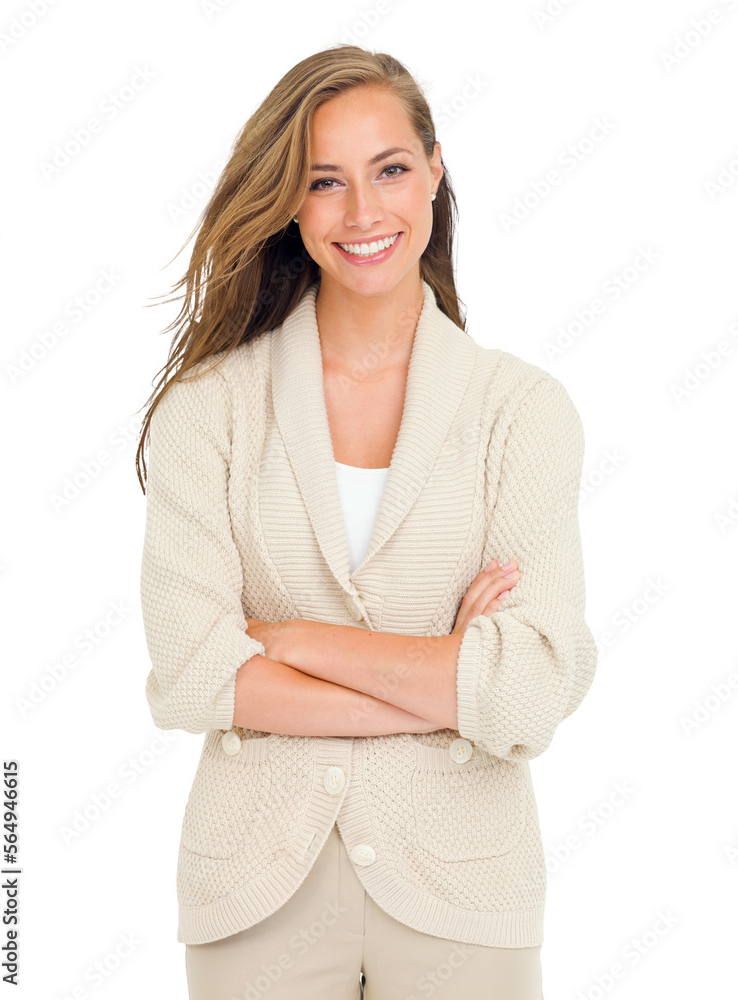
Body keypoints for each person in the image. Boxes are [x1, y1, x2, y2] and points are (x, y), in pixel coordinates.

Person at [136, 43, 597, 1000]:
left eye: (390, 169)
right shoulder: (210, 410)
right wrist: (441, 682)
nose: (363, 213)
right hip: (255, 891)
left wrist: (289, 642)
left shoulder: (522, 411)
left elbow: (532, 688)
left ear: (435, 169)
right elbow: (191, 673)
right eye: (323, 182)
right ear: (289, 203)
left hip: (466, 890)